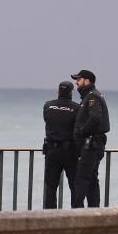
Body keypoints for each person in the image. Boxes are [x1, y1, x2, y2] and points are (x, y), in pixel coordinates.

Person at [70, 69, 110, 207]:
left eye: (79, 79)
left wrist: (81, 132)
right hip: (93, 144)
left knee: (81, 180)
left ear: (87, 81)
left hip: (91, 145)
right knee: (92, 179)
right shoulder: (89, 96)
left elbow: (95, 118)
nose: (76, 82)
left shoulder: (92, 97)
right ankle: (94, 211)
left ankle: (77, 213)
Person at [42, 80, 79, 209]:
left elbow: (48, 121)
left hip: (52, 151)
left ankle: (49, 217)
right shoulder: (76, 108)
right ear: (71, 92)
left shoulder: (48, 106)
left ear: (58, 91)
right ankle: (77, 215)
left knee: (50, 187)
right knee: (75, 186)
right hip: (70, 152)